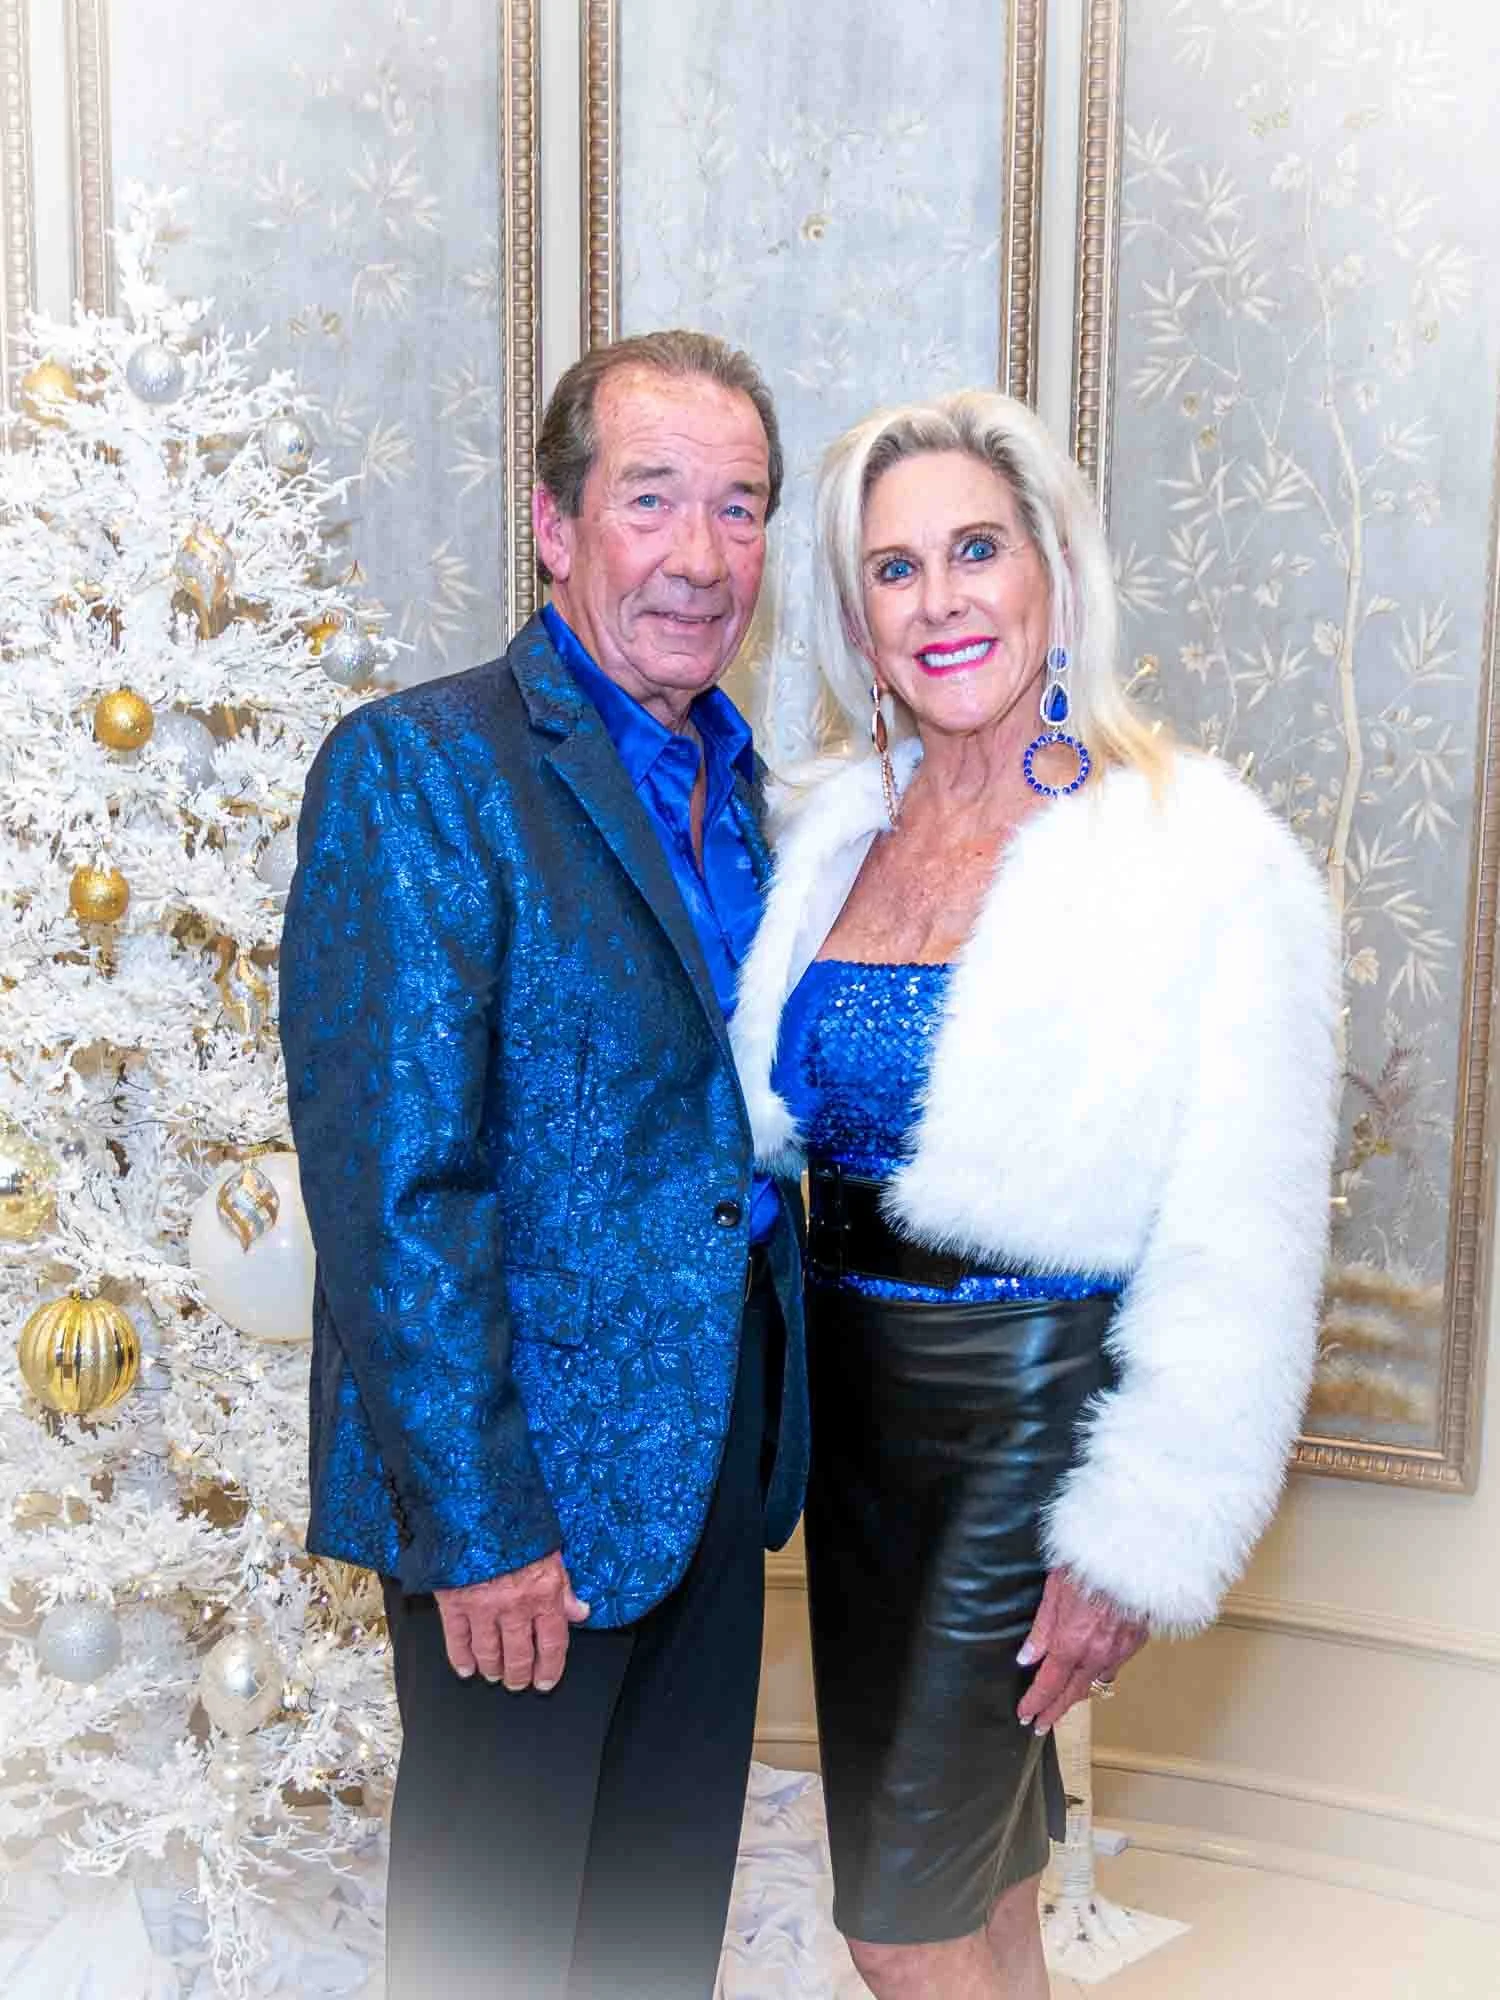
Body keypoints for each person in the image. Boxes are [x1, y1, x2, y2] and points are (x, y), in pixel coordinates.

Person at [730, 389, 1338, 2000]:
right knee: (985, 1888)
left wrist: (1135, 1541)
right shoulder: (824, 831)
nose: (940, 602)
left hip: (1029, 1419)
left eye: (975, 550)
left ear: (1053, 571)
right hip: (853, 1426)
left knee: (897, 1922)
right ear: (854, 619)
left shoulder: (1200, 857)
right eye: (894, 569)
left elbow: (1243, 1247)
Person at [279, 329, 809, 2000]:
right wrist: (484, 1528)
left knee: (655, 1949)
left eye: (739, 508)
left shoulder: (757, 800)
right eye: (651, 499)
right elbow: (394, 1194)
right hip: (529, 1507)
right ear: (555, 523)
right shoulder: (423, 769)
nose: (701, 555)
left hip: (719, 1467)